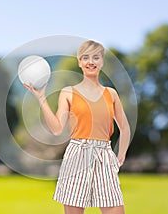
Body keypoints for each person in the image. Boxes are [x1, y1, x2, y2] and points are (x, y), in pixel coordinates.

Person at [24, 40, 131, 214]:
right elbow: (58, 129)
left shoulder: (111, 94)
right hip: (77, 155)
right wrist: (42, 99)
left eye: (96, 57)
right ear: (80, 62)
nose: (91, 61)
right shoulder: (68, 92)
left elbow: (125, 128)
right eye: (86, 57)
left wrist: (121, 156)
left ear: (101, 62)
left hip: (104, 154)